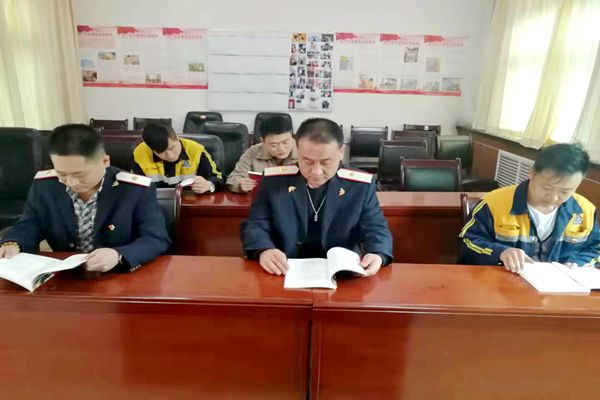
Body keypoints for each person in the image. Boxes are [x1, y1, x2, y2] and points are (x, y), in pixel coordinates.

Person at [0, 124, 171, 272]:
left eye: (79, 174)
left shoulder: (135, 189)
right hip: (65, 274)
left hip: (117, 273)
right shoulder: (45, 186)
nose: (71, 182)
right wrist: (12, 244)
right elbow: (30, 224)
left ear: (105, 161)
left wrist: (118, 255)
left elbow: (155, 238)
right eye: (62, 173)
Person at [241, 118, 393, 276]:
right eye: (307, 161)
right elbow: (256, 224)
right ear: (298, 151)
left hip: (341, 273)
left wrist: (377, 253)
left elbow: (376, 227)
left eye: (326, 162)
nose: (316, 172)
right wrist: (264, 250)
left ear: (341, 152)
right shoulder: (274, 181)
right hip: (285, 269)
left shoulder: (360, 186)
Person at [459, 143, 600, 273]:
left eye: (565, 191)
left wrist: (577, 264)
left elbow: (595, 249)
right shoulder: (494, 203)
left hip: (562, 286)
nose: (553, 198)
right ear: (531, 173)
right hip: (504, 283)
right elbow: (466, 244)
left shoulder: (585, 211)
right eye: (547, 188)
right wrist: (500, 252)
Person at [132, 122, 223, 193]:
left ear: (177, 137)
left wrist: (209, 184)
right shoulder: (140, 153)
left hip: (190, 202)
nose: (170, 155)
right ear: (151, 149)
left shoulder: (196, 150)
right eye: (162, 153)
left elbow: (219, 177)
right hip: (154, 202)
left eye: (171, 148)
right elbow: (134, 185)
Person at [226, 115, 298, 193]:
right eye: (274, 145)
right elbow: (233, 178)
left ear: (291, 135)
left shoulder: (303, 150)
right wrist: (240, 184)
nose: (281, 148)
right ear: (263, 141)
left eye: (285, 142)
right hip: (264, 198)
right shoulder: (253, 152)